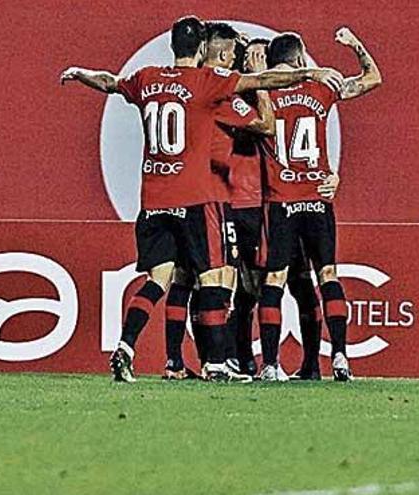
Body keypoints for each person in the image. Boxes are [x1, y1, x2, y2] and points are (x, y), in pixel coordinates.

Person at [60, 15, 343, 382]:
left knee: (163, 278)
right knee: (215, 279)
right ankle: (215, 363)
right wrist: (308, 74)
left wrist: (81, 73)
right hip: (199, 198)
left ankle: (130, 347)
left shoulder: (147, 78)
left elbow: (110, 82)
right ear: (208, 50)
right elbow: (264, 92)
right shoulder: (209, 85)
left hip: (154, 201)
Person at [257, 28, 382, 382]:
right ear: (299, 58)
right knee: (328, 275)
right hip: (317, 198)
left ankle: (269, 364)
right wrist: (355, 44)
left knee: (275, 278)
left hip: (281, 201)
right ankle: (340, 358)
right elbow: (372, 78)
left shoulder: (261, 92)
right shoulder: (322, 88)